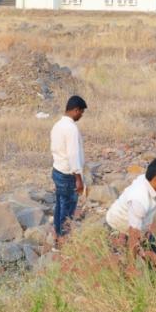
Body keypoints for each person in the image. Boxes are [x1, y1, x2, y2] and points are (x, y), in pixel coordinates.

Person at [105, 158, 156, 266]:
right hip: (119, 228)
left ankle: (154, 274)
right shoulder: (139, 201)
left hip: (141, 227)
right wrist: (132, 267)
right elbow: (134, 237)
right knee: (123, 266)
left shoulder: (149, 179)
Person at [49, 95, 87, 247]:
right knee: (68, 210)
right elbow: (73, 155)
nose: (81, 116)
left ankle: (57, 235)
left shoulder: (57, 125)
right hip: (68, 175)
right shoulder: (71, 129)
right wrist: (78, 179)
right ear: (76, 110)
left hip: (57, 170)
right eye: (81, 112)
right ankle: (63, 242)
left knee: (60, 205)